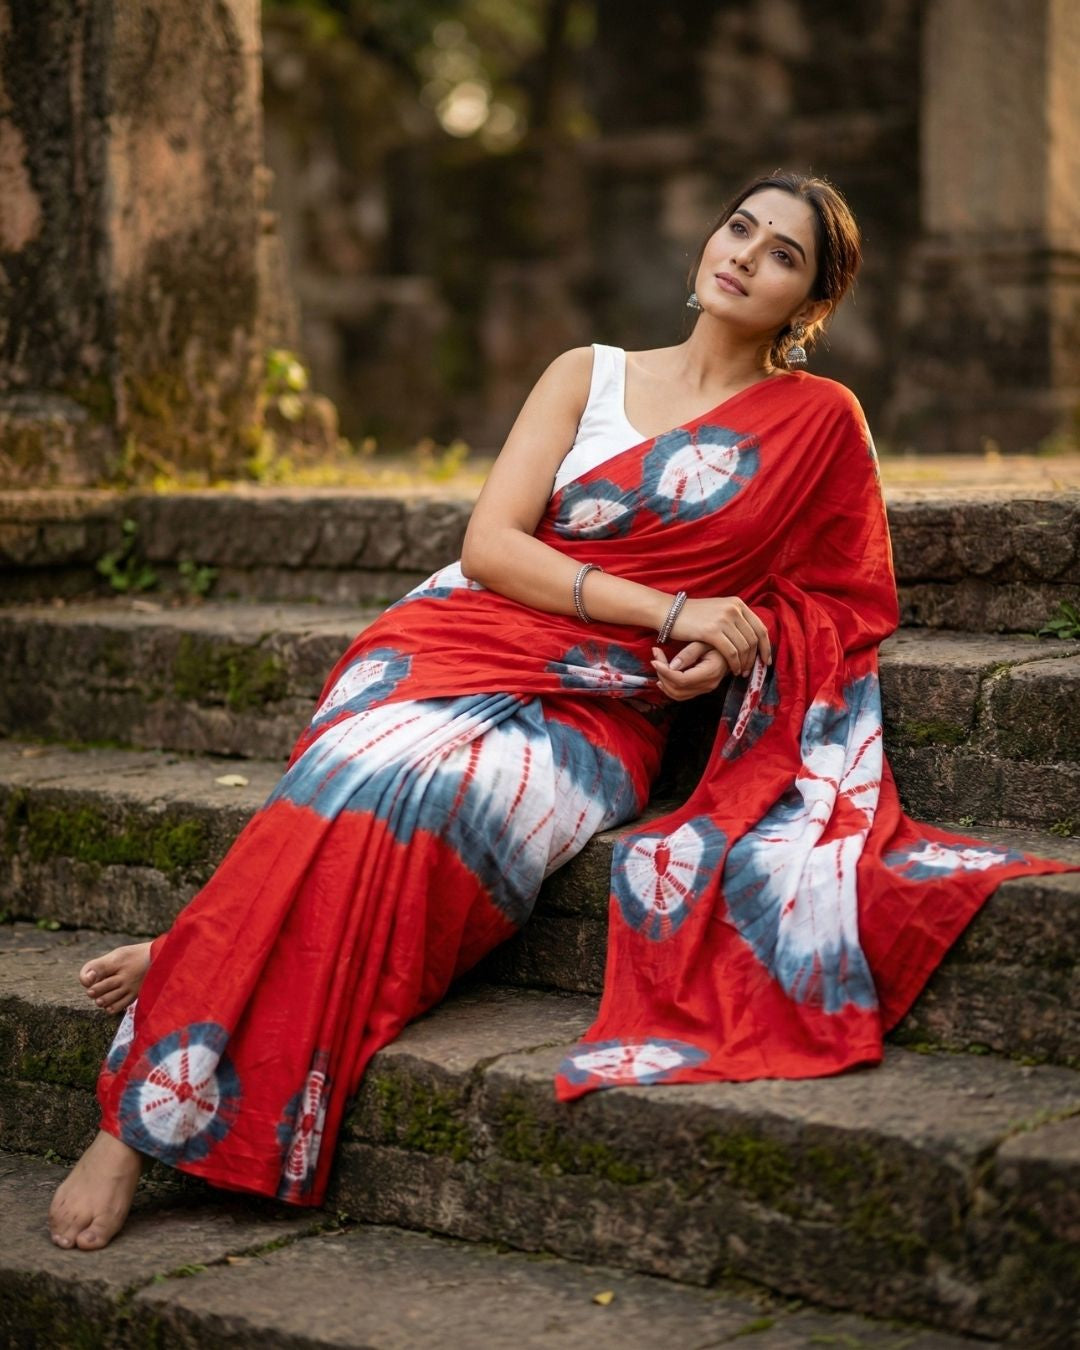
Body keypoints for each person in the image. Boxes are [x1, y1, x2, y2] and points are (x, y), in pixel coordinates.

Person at [47, 170, 1077, 1251]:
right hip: (454, 641)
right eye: (740, 228)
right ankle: (133, 1124)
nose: (744, 255)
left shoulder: (820, 422)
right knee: (363, 770)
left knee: (425, 795)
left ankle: (201, 948)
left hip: (601, 715)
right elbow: (490, 548)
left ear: (810, 305)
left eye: (783, 255)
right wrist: (672, 604)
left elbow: (838, 594)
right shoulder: (585, 374)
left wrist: (728, 650)